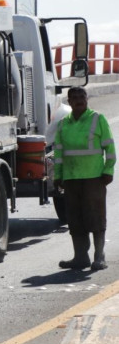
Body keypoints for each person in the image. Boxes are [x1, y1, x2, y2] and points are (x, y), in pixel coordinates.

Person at [53, 86, 115, 271]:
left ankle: (99, 257)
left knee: (96, 218)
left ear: (87, 99)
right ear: (69, 101)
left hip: (94, 178)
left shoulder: (98, 119)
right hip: (71, 178)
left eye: (82, 96)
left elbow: (110, 149)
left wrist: (108, 171)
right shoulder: (63, 123)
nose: (79, 100)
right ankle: (80, 258)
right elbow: (58, 153)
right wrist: (58, 175)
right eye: (75, 97)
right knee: (75, 220)